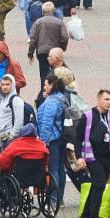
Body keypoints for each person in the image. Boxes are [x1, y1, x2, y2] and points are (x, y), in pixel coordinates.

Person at [69, 88, 110, 218]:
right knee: (99, 186)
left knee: (96, 186)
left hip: (107, 157)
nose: (109, 102)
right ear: (98, 100)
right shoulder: (88, 116)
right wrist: (79, 157)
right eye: (106, 99)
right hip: (92, 157)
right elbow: (77, 138)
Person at [36, 75, 70, 206]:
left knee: (53, 169)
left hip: (52, 140)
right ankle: (60, 199)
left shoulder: (51, 102)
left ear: (52, 85)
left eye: (46, 84)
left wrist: (43, 141)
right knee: (61, 169)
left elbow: (46, 123)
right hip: (62, 138)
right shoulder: (62, 97)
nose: (44, 87)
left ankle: (53, 200)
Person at [27, 1, 69, 85]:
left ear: (42, 12)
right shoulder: (59, 22)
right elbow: (65, 37)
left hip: (42, 51)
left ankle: (44, 90)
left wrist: (30, 54)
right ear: (54, 11)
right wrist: (62, 48)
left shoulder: (38, 22)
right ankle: (58, 87)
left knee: (43, 74)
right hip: (55, 52)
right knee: (60, 72)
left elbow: (33, 39)